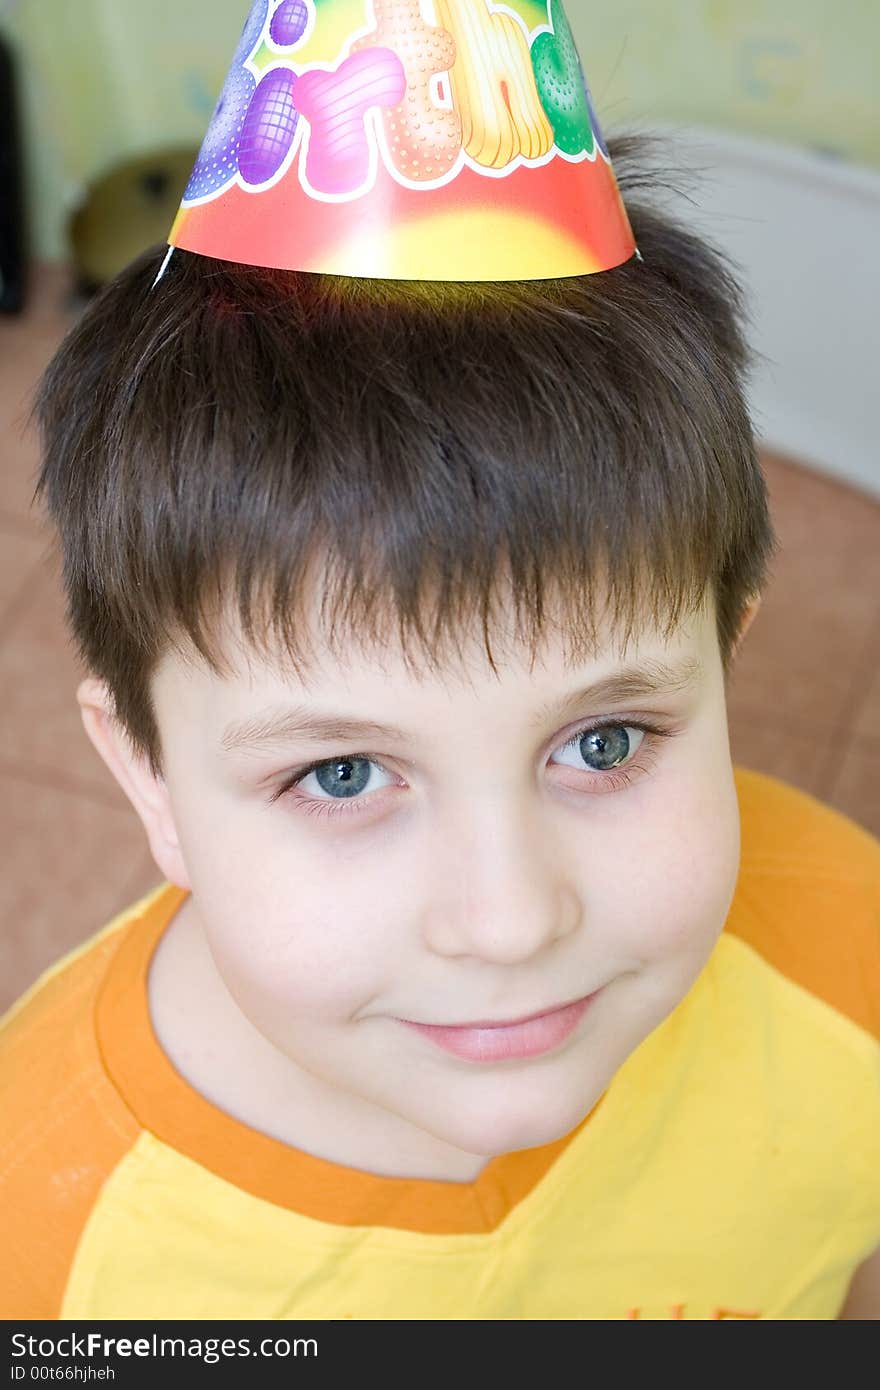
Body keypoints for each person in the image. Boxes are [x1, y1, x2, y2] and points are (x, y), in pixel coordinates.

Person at [2, 103, 879, 1319]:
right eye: (344, 773)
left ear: (722, 669)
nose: (510, 924)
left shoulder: (850, 970)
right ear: (146, 774)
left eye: (601, 742)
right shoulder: (43, 1243)